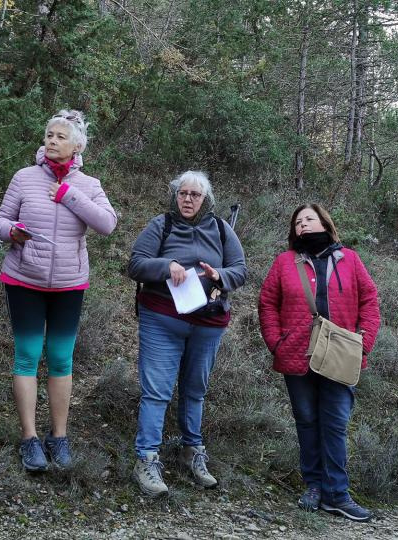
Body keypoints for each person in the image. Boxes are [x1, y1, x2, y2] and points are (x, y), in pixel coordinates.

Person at [0, 110, 116, 472]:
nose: (51, 140)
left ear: (78, 145)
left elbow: (108, 224)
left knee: (61, 359)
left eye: (60, 136)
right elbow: (0, 219)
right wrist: (11, 231)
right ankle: (29, 438)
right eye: (48, 134)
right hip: (23, 279)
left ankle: (58, 436)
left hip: (68, 284)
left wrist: (68, 195)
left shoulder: (89, 185)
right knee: (27, 355)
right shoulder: (24, 177)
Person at [257, 203, 380, 521]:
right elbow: (268, 302)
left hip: (341, 354)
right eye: (298, 222)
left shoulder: (349, 259)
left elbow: (369, 299)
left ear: (325, 223)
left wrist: (363, 342)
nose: (303, 225)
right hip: (297, 353)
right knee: (307, 422)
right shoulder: (285, 262)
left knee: (336, 424)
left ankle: (337, 494)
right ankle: (314, 486)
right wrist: (276, 342)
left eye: (309, 219)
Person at [127, 171, 246, 497]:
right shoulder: (160, 225)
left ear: (205, 198)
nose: (188, 199)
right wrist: (167, 267)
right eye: (183, 193)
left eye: (195, 194)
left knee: (195, 390)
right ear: (175, 196)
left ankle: (192, 451)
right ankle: (146, 458)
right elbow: (136, 264)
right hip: (162, 318)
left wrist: (218, 274)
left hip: (208, 323)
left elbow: (240, 270)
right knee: (157, 391)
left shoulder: (222, 229)